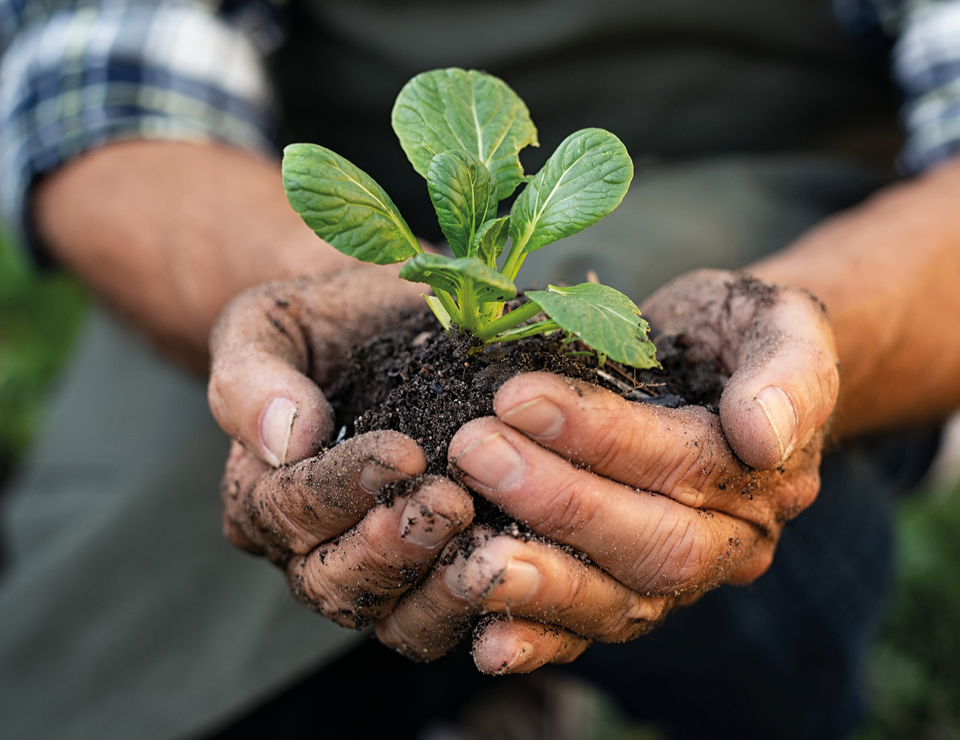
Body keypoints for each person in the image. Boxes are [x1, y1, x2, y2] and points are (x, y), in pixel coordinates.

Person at [1, 0, 958, 738]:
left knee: (668, 429)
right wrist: (310, 313)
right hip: (267, 232)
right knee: (121, 625)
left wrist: (805, 361)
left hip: (794, 212)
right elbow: (101, 96)